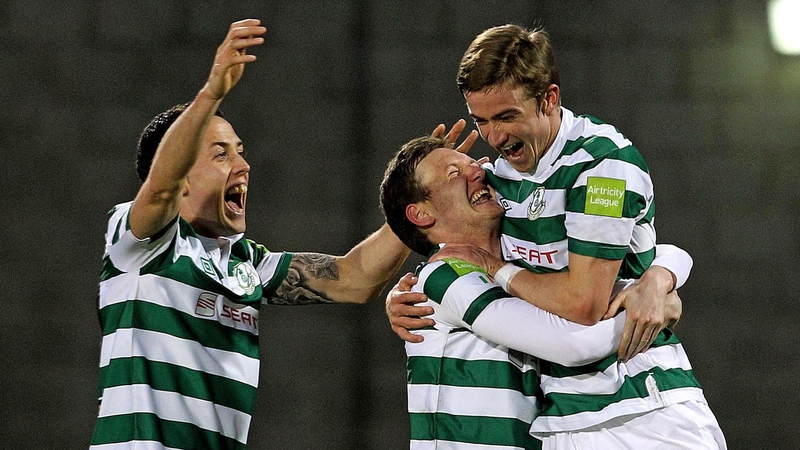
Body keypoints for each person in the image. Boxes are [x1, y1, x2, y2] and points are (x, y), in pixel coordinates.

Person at [90, 20, 410, 449]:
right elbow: (161, 186)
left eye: (240, 152)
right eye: (221, 154)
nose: (243, 165)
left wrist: (421, 209)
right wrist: (212, 93)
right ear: (183, 173)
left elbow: (355, 277)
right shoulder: (138, 241)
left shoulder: (248, 263)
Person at [380, 136, 726, 449]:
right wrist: (647, 308)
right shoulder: (444, 276)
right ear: (420, 213)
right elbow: (572, 344)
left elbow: (625, 255)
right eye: (453, 172)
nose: (477, 172)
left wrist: (658, 277)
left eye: (473, 164)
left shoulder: (517, 264)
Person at [387, 23, 684, 361]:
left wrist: (662, 282)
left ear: (548, 99)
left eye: (506, 117)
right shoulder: (495, 179)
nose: (494, 138)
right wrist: (407, 290)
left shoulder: (602, 165)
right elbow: (432, 220)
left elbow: (584, 305)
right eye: (481, 121)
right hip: (553, 405)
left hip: (640, 396)